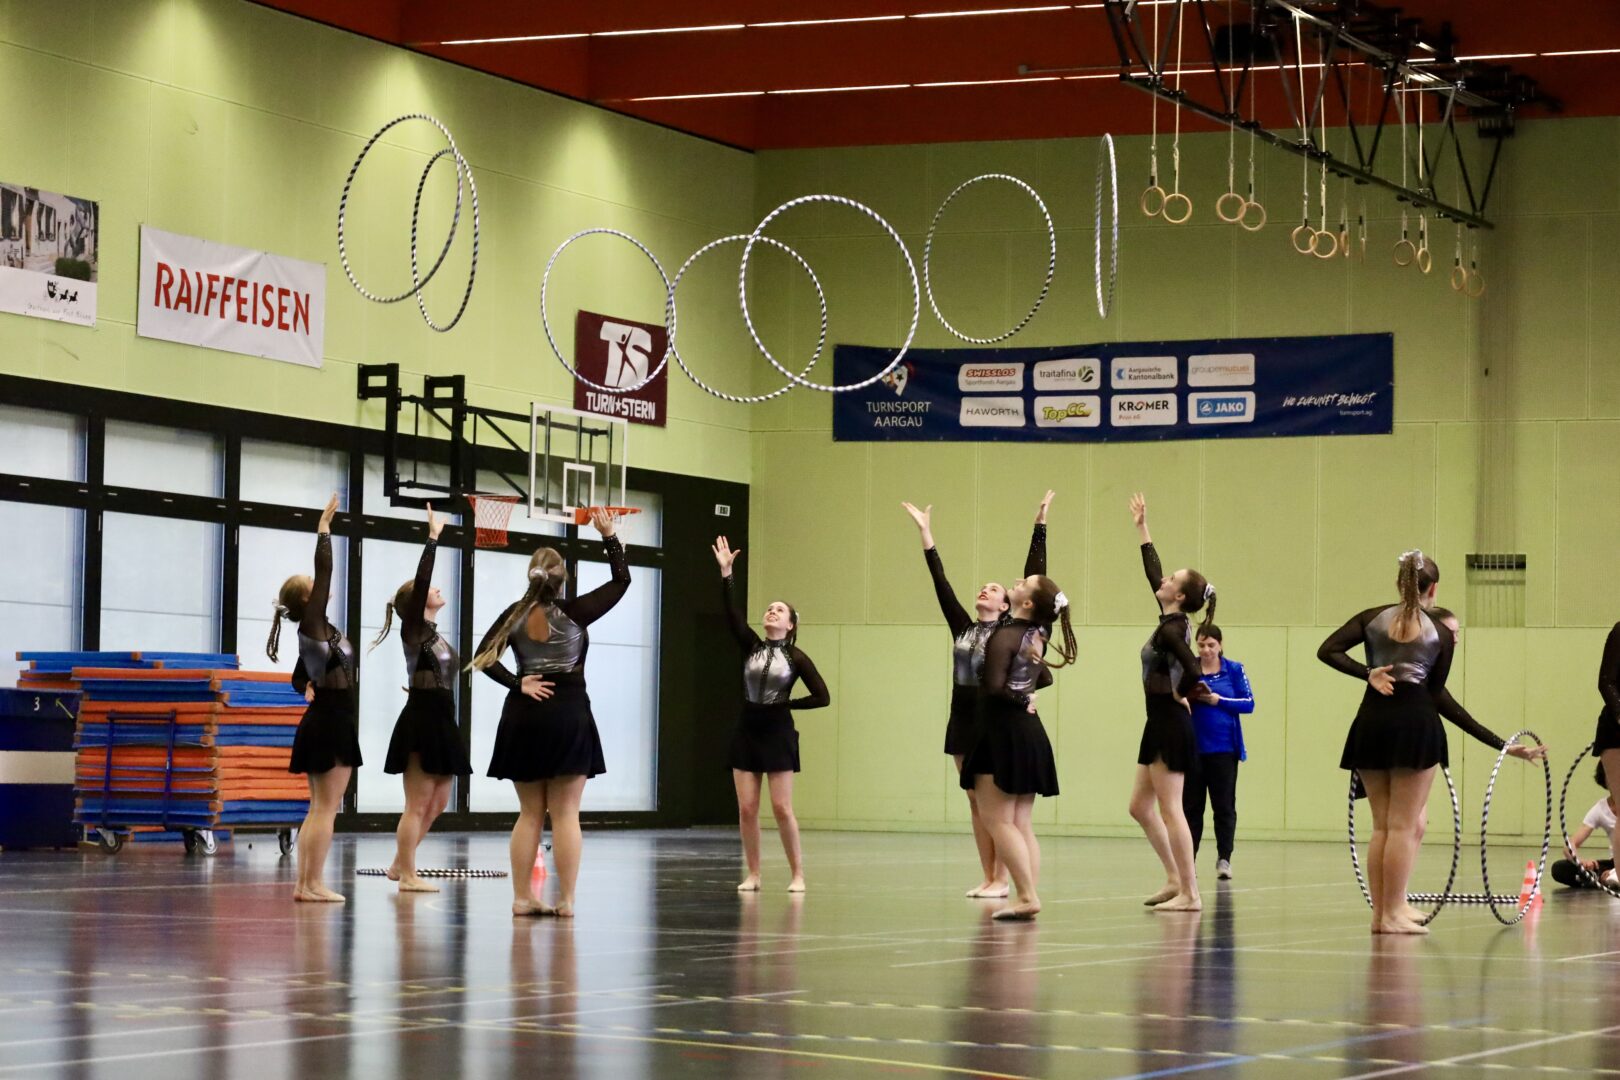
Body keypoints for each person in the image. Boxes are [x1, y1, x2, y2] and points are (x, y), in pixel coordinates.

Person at [1320, 550, 1539, 935]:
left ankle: (1383, 914)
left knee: (1382, 828)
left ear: (1399, 582)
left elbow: (1328, 650)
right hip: (1415, 725)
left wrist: (1368, 672)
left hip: (1372, 721)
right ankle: (1391, 913)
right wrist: (1501, 744)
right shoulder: (1439, 632)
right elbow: (1437, 696)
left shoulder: (1370, 618)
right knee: (1403, 827)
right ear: (1433, 588)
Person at [471, 509, 628, 918]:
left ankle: (522, 897)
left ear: (532, 577)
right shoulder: (575, 612)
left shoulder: (515, 614)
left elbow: (482, 658)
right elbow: (621, 581)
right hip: (567, 713)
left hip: (524, 714)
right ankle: (566, 900)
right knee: (565, 813)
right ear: (563, 580)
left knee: (529, 813)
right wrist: (609, 536)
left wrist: (517, 682)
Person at [901, 491, 1052, 898]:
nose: (985, 590)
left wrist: (1039, 527)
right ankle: (990, 876)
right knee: (975, 800)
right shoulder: (964, 628)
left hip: (995, 715)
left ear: (1006, 604)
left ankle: (1005, 879)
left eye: (994, 589)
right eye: (983, 587)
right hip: (963, 713)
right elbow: (941, 584)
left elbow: (1036, 583)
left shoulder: (1010, 631)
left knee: (997, 803)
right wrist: (926, 535)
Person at [713, 536, 830, 893]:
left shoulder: (797, 658)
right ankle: (754, 873)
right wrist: (727, 574)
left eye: (779, 610)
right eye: (769, 608)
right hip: (747, 730)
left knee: (781, 808)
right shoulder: (751, 646)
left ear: (791, 624)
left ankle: (798, 874)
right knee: (747, 809)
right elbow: (732, 615)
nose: (772, 612)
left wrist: (787, 705)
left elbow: (822, 696)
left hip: (778, 732)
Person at [959, 574, 1076, 921]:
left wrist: (1020, 698)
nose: (1017, 580)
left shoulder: (1006, 635)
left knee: (997, 819)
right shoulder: (1037, 634)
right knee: (1021, 822)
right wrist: (1024, 696)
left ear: (1026, 603)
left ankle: (1026, 895)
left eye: (1024, 583)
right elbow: (1035, 678)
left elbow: (994, 688)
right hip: (1028, 732)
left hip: (1001, 732)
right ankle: (1028, 894)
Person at [369, 506, 471, 893]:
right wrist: (432, 539)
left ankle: (400, 864)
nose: (438, 588)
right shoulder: (413, 630)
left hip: (443, 717)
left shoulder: (435, 634)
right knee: (417, 803)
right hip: (422, 719)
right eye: (430, 588)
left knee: (438, 803)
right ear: (417, 601)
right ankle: (409, 875)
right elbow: (424, 577)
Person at [1126, 493, 1213, 913]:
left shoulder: (1173, 629)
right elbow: (1153, 575)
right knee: (1139, 807)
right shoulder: (1170, 621)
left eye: (1171, 579)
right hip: (1158, 721)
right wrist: (1143, 530)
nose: (1163, 580)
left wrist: (1183, 692)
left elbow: (1194, 668)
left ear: (1178, 596)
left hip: (1169, 722)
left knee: (1171, 809)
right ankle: (1175, 878)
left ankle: (1190, 893)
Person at [271, 494, 359, 903]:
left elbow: (298, 673)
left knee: (318, 807)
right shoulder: (312, 623)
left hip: (327, 717)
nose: (319, 586)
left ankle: (305, 884)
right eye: (313, 586)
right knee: (326, 808)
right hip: (331, 720)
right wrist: (324, 530)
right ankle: (313, 883)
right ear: (307, 599)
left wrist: (304, 685)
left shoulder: (317, 631)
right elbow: (325, 570)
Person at [1183, 625, 1254, 881]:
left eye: (1211, 645)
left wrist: (1218, 700)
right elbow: (1175, 696)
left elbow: (1249, 703)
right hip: (1193, 749)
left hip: (1224, 749)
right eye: (1201, 645)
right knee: (1191, 808)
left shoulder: (1234, 669)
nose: (1206, 650)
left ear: (1220, 645)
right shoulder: (1189, 668)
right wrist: (1190, 697)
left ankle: (1224, 858)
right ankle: (1188, 861)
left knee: (1224, 806)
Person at [1553, 763, 1617, 889]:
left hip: (1616, 868)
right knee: (1559, 868)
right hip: (1614, 862)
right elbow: (1570, 845)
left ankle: (1609, 878)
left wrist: (1614, 871)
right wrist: (1580, 862)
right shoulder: (1600, 809)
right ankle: (1604, 879)